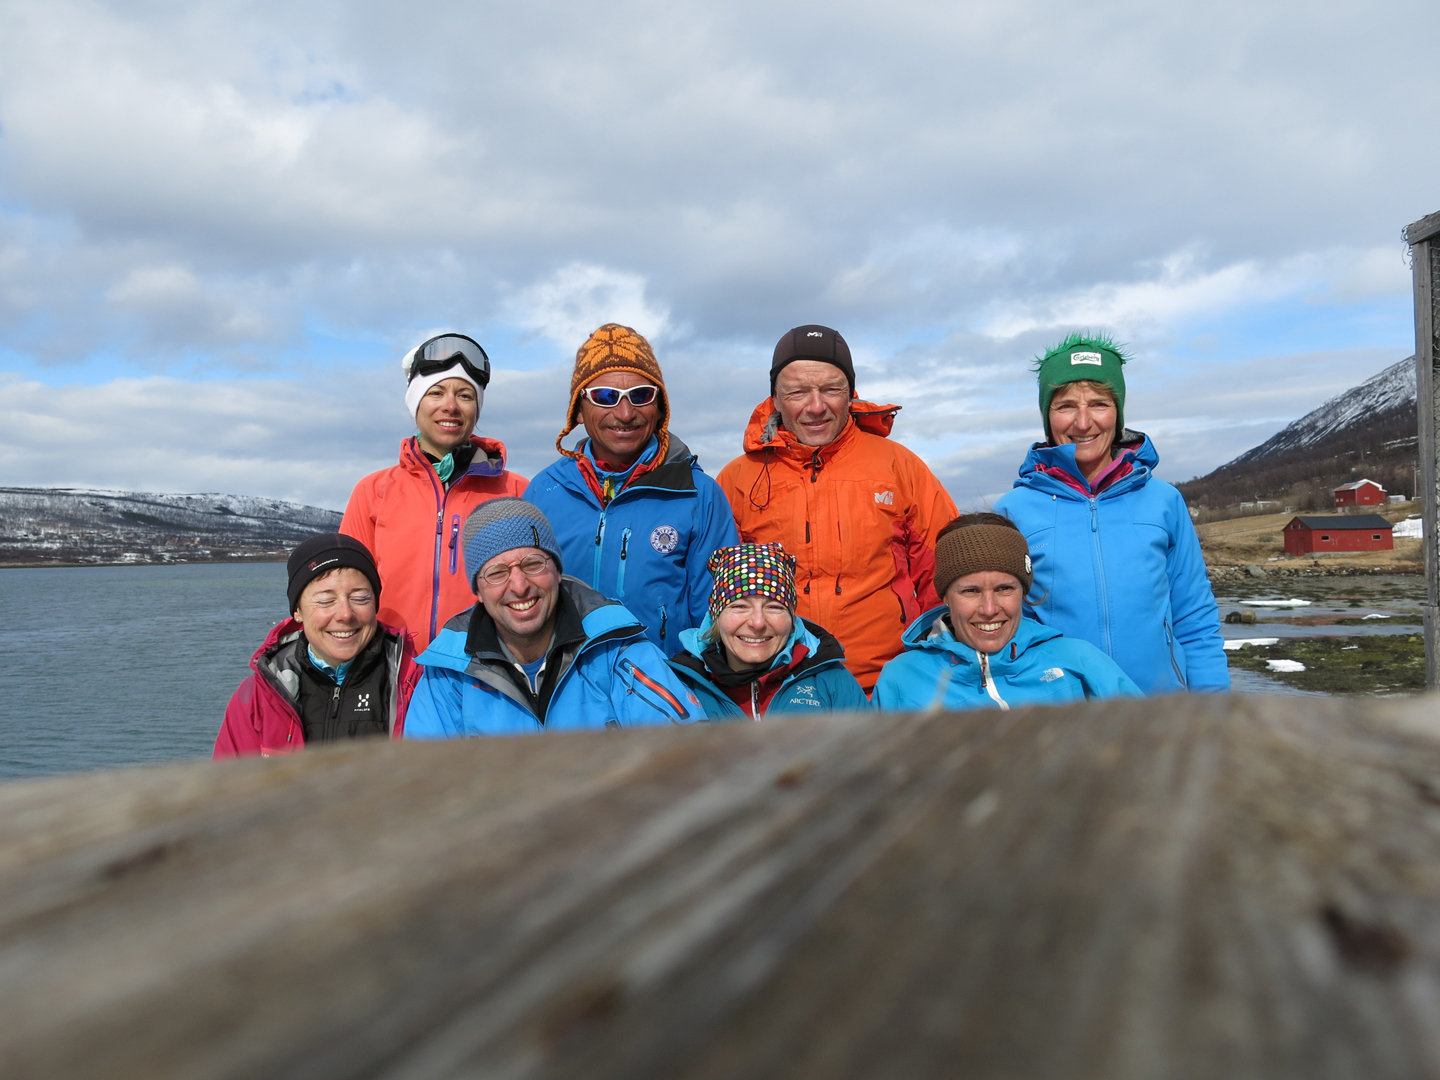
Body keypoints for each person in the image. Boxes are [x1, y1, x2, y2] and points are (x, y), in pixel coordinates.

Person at [717, 324, 958, 691]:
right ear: (775, 399)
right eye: (798, 392)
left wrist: (939, 661)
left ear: (850, 394)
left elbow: (945, 573)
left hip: (886, 684)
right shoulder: (737, 479)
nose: (817, 407)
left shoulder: (901, 466)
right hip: (777, 690)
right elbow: (716, 597)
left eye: (832, 389)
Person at [992, 333, 1228, 694]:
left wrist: (1212, 706)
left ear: (1118, 414)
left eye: (1099, 404)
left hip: (1161, 708)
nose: (1083, 422)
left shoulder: (1164, 501)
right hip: (1060, 712)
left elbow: (1194, 615)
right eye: (1065, 406)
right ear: (1047, 417)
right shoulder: (1013, 511)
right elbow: (1002, 631)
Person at [404, 499, 702, 736]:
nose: (519, 586)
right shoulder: (448, 674)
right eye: (497, 573)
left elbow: (688, 752)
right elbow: (424, 781)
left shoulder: (617, 651)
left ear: (558, 571)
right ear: (478, 591)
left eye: (533, 564)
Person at [527, 323, 738, 655]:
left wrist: (692, 680)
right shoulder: (544, 492)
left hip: (665, 682)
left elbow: (717, 618)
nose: (625, 414)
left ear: (660, 407)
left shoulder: (699, 494)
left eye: (641, 395)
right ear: (578, 410)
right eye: (605, 397)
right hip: (564, 681)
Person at [341, 333, 528, 650]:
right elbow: (345, 588)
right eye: (436, 392)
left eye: (465, 395)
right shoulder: (372, 492)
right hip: (393, 668)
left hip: (484, 669)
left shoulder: (517, 491)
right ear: (415, 404)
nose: (450, 406)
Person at [873, 514, 1141, 711]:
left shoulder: (1078, 660)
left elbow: (1149, 745)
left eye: (1004, 589)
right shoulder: (901, 679)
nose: (989, 609)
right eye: (970, 591)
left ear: (1023, 591)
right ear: (945, 596)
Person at [215, 534, 421, 757]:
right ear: (297, 611)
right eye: (325, 601)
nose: (345, 614)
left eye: (360, 598)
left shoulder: (414, 683)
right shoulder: (258, 696)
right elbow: (230, 777)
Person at [667, 543, 870, 720]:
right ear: (716, 617)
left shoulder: (831, 680)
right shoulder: (683, 685)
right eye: (740, 606)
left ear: (792, 618)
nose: (757, 623)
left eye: (774, 607)